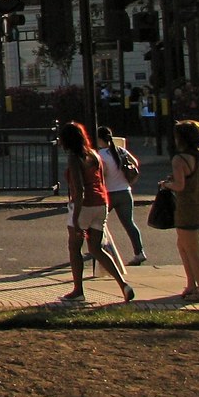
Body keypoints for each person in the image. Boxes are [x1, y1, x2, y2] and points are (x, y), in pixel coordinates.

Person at [58, 121, 134, 303]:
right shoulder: (94, 155)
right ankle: (123, 284)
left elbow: (79, 189)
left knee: (75, 248)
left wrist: (76, 219)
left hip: (84, 205)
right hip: (101, 203)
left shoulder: (75, 158)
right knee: (96, 247)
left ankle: (78, 290)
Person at [163, 120, 199, 302]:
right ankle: (192, 284)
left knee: (191, 251)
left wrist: (167, 184)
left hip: (187, 209)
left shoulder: (179, 159)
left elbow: (180, 185)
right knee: (183, 246)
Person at [96, 126, 146, 266]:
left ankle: (99, 248)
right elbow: (135, 163)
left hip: (108, 193)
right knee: (129, 223)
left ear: (99, 139)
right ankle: (139, 252)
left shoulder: (100, 155)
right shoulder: (120, 151)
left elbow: (102, 173)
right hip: (125, 191)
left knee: (99, 223)